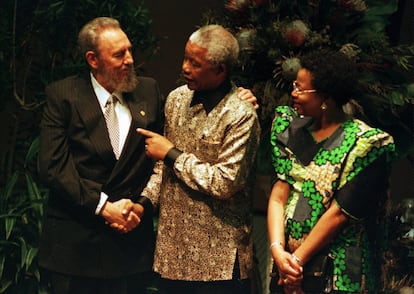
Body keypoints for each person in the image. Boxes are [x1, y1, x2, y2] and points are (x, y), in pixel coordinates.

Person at [38, 17, 259, 294]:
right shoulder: (64, 95)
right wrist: (107, 206)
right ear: (93, 59)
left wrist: (237, 97)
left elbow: (159, 158)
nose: (130, 59)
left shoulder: (148, 90)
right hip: (78, 246)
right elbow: (53, 167)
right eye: (119, 54)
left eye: (130, 50)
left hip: (135, 249)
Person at [124, 24, 261, 294]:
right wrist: (144, 203)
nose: (185, 67)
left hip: (218, 259)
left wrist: (172, 154)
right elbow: (163, 168)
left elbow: (226, 182)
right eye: (185, 58)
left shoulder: (241, 114)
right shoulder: (176, 99)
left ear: (220, 70)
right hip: (172, 253)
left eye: (195, 63)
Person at [267, 49, 396, 293]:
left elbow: (339, 214)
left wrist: (296, 262)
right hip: (286, 264)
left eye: (301, 89)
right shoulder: (289, 127)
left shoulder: (366, 143)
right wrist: (277, 251)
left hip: (335, 270)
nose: (294, 93)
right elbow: (279, 193)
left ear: (325, 97)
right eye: (294, 85)